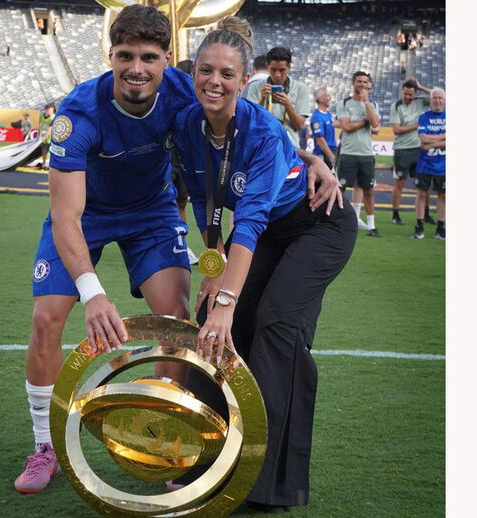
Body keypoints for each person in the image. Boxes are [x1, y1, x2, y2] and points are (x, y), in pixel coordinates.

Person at [14, 5, 343, 495]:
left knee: (175, 318)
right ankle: (45, 446)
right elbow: (66, 216)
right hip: (87, 214)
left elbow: (245, 127)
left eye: (149, 57)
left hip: (151, 212)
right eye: (125, 56)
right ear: (110, 56)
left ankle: (161, 434)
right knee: (46, 319)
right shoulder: (78, 113)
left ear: (167, 60)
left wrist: (308, 157)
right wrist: (93, 292)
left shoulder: (184, 90)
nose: (137, 69)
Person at [171, 16, 355, 514]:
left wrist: (226, 301)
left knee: (275, 324)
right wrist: (213, 279)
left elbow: (248, 223)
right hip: (269, 230)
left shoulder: (263, 132)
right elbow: (208, 203)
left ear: (244, 80)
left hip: (318, 224)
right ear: (193, 73)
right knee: (215, 323)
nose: (214, 81)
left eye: (227, 74)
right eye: (205, 71)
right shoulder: (186, 122)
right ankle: (203, 459)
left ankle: (267, 480)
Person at [336, 71, 382, 236]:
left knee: (368, 191)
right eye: (359, 81)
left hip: (366, 153)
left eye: (365, 82)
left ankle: (371, 226)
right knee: (340, 188)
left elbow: (375, 124)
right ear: (353, 83)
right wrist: (365, 121)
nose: (362, 84)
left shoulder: (372, 104)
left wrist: (366, 102)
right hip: (348, 153)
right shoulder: (344, 103)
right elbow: (346, 127)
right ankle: (334, 221)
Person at [245, 46, 311, 151]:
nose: (277, 75)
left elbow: (299, 126)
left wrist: (288, 105)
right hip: (262, 145)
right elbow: (251, 120)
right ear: (267, 66)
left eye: (282, 70)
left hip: (290, 147)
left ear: (289, 67)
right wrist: (262, 99)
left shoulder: (301, 88)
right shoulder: (255, 87)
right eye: (273, 69)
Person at [389, 77, 432, 225]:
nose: (407, 97)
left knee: (424, 184)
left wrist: (421, 87)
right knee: (399, 183)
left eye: (411, 94)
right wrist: (415, 126)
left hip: (419, 149)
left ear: (415, 93)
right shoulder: (396, 106)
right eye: (405, 94)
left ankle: (426, 214)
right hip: (402, 150)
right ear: (402, 92)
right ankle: (395, 215)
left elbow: (438, 97)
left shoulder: (420, 102)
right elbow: (396, 129)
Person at [170, 59, 199, 264]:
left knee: (181, 201)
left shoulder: (195, 99)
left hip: (184, 157)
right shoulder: (167, 98)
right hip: (166, 157)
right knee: (163, 201)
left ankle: (181, 245)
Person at [412, 87, 446, 240]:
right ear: (430, 100)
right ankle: (419, 227)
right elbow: (423, 139)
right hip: (424, 163)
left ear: (444, 100)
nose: (437, 100)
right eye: (435, 98)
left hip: (444, 165)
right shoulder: (424, 117)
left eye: (440, 98)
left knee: (443, 196)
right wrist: (443, 137)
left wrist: (432, 143)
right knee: (421, 194)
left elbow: (427, 142)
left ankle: (440, 229)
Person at [310, 86, 337, 169]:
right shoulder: (317, 117)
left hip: (331, 151)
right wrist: (331, 156)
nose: (330, 98)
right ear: (320, 99)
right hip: (323, 154)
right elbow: (320, 139)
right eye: (327, 96)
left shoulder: (328, 114)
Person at [38, 103, 55, 169]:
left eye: (52, 111)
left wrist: (44, 137)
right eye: (49, 110)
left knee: (52, 152)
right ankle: (44, 163)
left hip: (51, 138)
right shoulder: (41, 116)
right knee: (44, 152)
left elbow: (50, 129)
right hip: (43, 137)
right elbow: (39, 125)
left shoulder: (53, 117)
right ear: (45, 110)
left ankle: (52, 165)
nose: (50, 112)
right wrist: (39, 135)